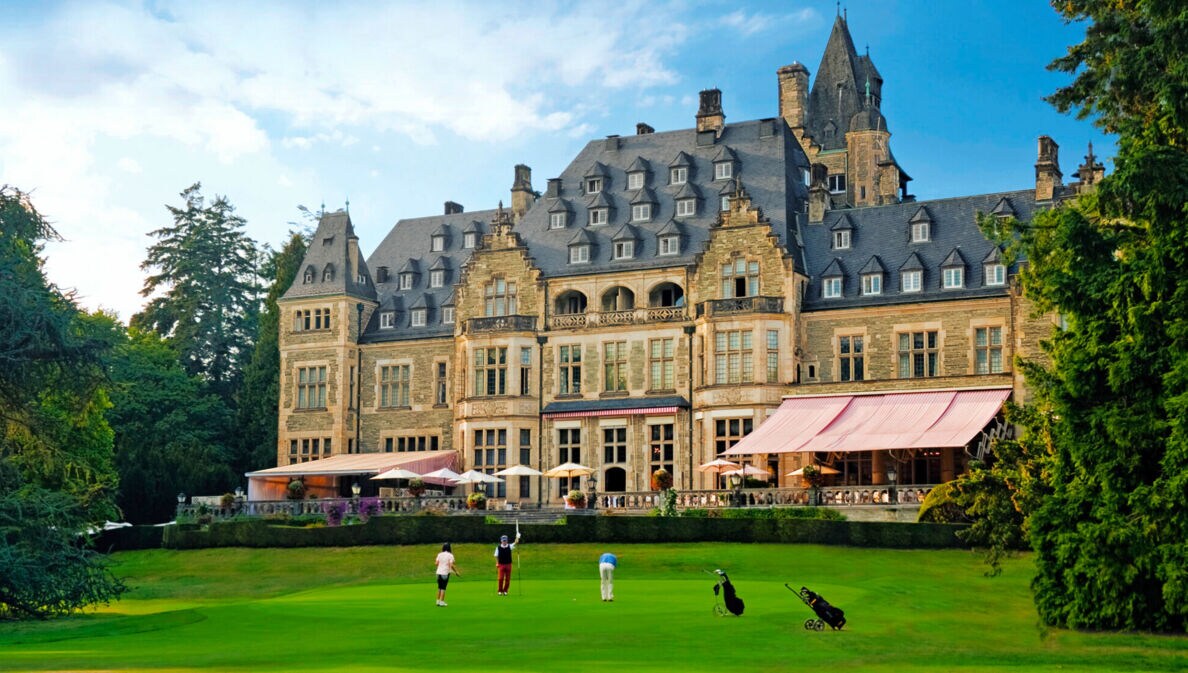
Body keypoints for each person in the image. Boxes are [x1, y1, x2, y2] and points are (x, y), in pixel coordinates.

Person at [434, 542, 459, 607]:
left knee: (439, 587)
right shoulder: (450, 555)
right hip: (445, 573)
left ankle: (437, 601)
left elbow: (436, 563)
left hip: (438, 573)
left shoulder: (439, 554)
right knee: (443, 588)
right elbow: (451, 565)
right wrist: (456, 572)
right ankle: (442, 602)